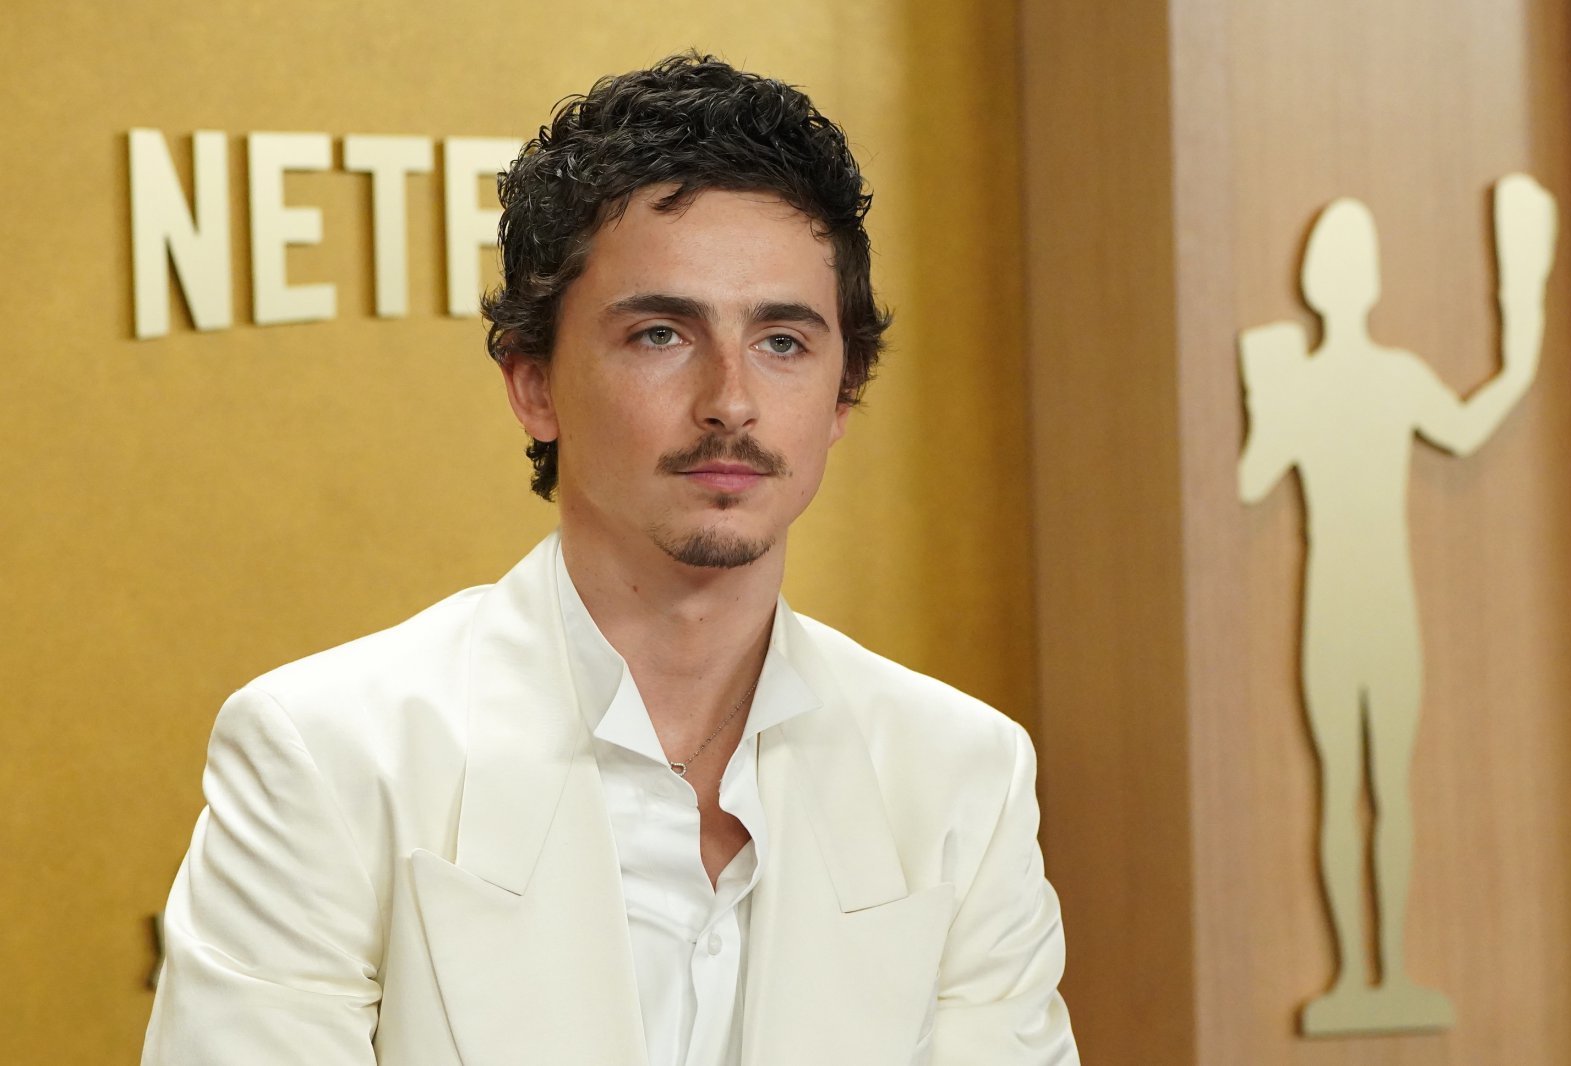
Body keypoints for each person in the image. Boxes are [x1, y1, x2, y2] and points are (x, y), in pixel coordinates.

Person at [144, 53, 1079, 1065]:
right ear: (534, 385)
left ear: (842, 395)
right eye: (662, 334)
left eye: (782, 341)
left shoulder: (961, 777)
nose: (730, 401)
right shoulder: (329, 757)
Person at [1238, 174, 1555, 1035]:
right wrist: (1520, 329)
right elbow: (1253, 477)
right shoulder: (1335, 379)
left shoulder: (1363, 378)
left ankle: (1375, 974)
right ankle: (1359, 975)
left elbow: (1465, 426)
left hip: (1365, 605)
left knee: (1369, 789)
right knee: (1366, 790)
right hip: (1353, 604)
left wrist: (1524, 323)